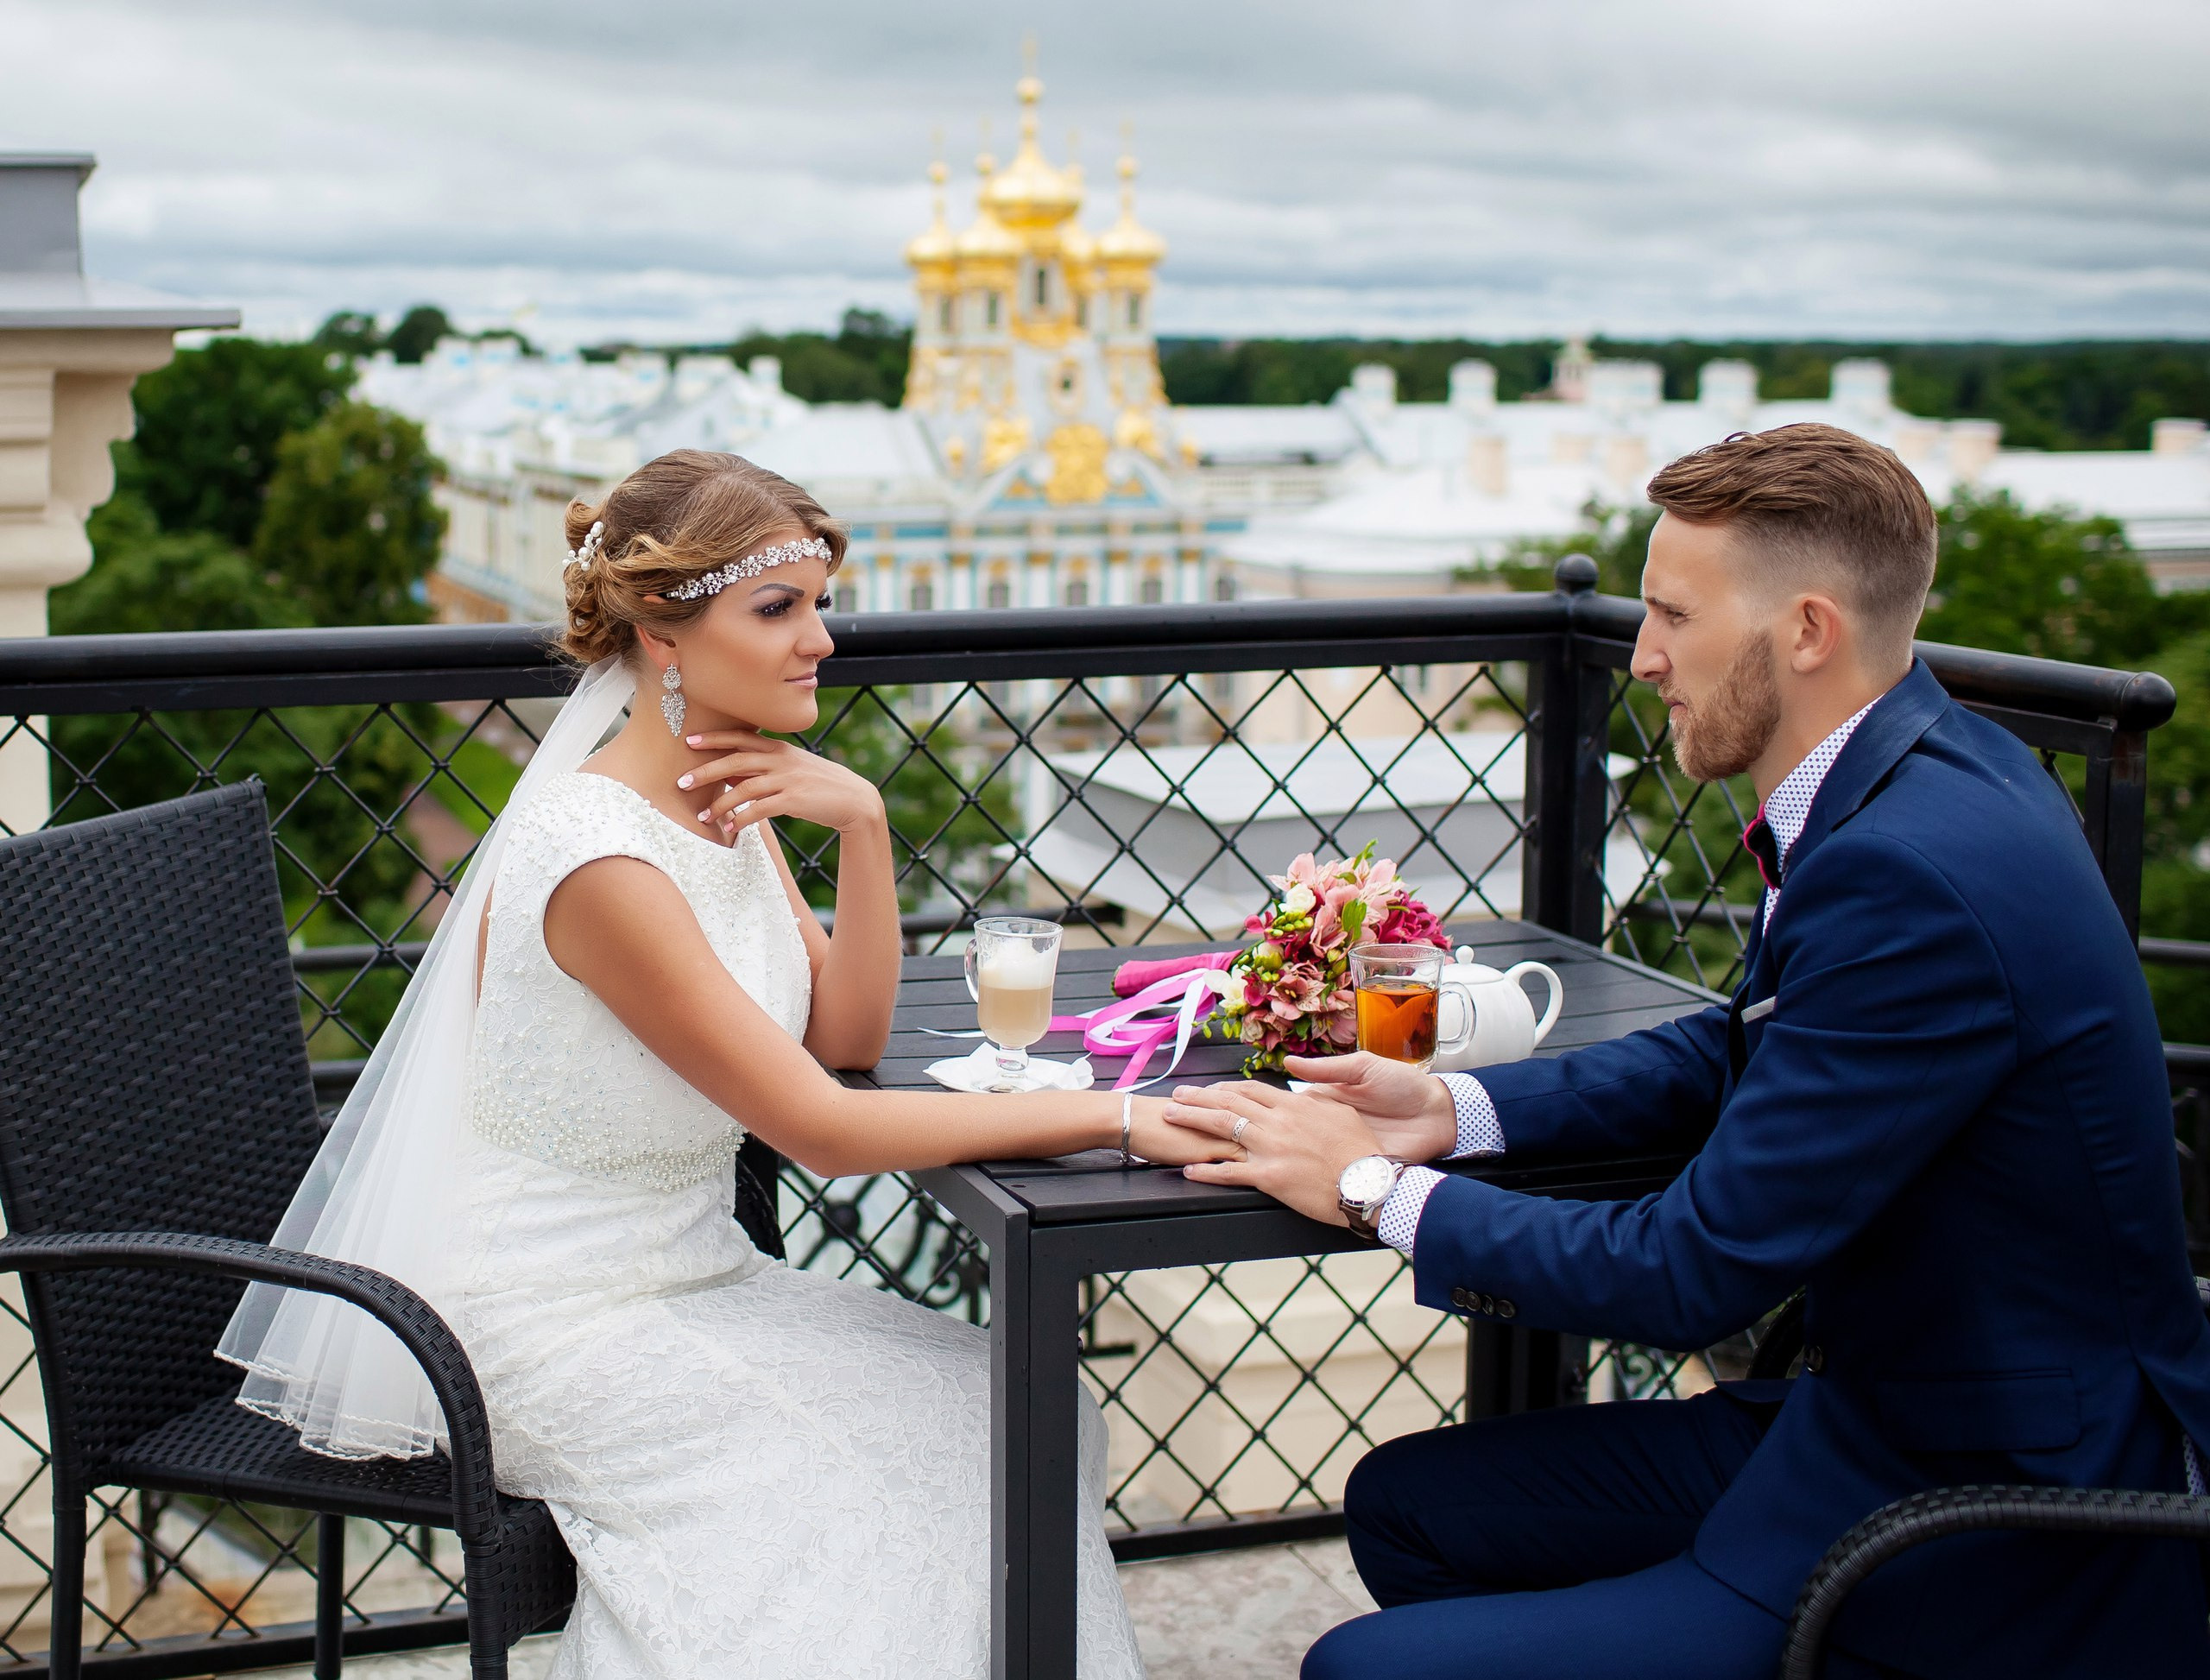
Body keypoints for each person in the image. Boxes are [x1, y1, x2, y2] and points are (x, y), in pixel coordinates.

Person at [1162, 423, 2210, 1680]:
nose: (1641, 655)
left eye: (1672, 616)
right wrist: (1453, 1109)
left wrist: (1366, 1184)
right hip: (1873, 1414)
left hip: (1990, 1508)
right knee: (1411, 1504)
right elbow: (1742, 1047)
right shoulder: (1931, 767)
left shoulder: (1908, 869)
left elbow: (1689, 1269)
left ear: (1807, 630)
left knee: (1358, 1666)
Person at [218, 449, 1230, 1678]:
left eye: (817, 602)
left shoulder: (718, 796)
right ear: (662, 632)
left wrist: (860, 823)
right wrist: (1114, 1114)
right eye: (778, 607)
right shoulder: (604, 862)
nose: (822, 639)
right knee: (867, 1496)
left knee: (1021, 1406)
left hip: (692, 1273)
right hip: (546, 1317)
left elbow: (844, 1036)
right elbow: (821, 1125)